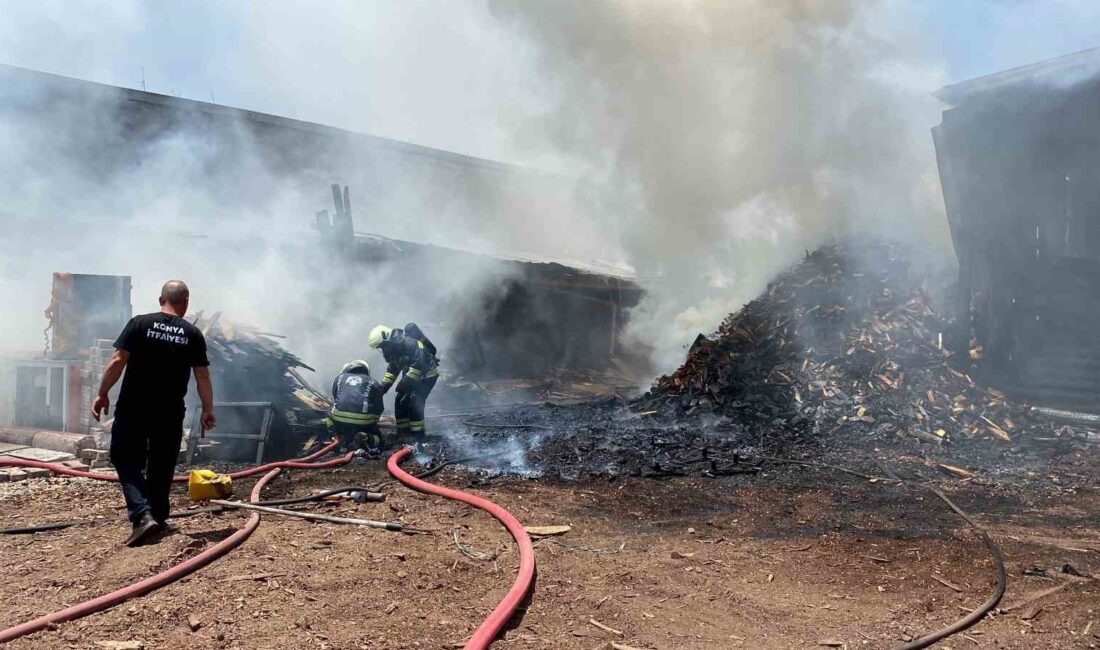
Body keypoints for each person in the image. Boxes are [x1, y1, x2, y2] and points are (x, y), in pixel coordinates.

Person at [92, 280, 215, 547]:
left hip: (134, 406)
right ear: (185, 301)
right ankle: (156, 517)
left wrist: (102, 393)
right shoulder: (192, 333)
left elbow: (117, 361)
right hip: (170, 410)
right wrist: (207, 408)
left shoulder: (139, 324)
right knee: (162, 463)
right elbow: (202, 374)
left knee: (124, 457)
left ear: (161, 299)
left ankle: (144, 516)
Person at [367, 323, 439, 442]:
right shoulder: (396, 349)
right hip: (412, 379)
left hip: (427, 377)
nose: (382, 350)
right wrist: (384, 387)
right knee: (400, 400)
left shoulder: (410, 344)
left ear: (387, 341)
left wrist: (404, 382)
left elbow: (418, 366)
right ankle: (403, 433)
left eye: (382, 346)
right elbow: (393, 370)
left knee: (415, 401)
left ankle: (419, 437)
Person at [329, 359, 384, 453]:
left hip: (339, 418)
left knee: (328, 417)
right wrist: (374, 421)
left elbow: (336, 397)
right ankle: (365, 437)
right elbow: (379, 408)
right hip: (363, 421)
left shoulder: (339, 378)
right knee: (380, 440)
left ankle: (336, 436)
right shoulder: (373, 382)